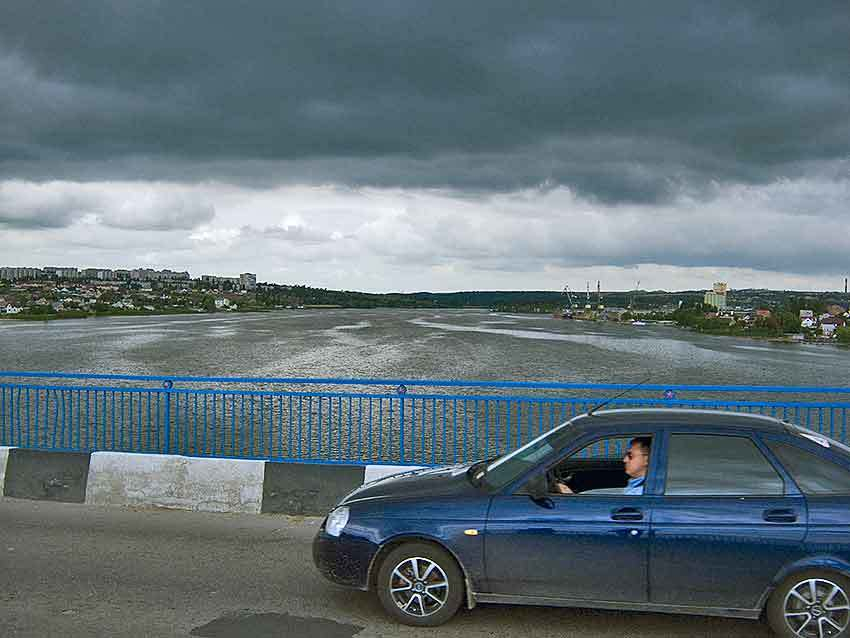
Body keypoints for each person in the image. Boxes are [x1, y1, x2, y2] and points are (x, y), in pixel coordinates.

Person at [554, 436, 651, 495]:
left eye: (630, 456)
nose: (624, 460)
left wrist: (571, 499)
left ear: (647, 459)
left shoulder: (640, 492)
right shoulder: (641, 486)